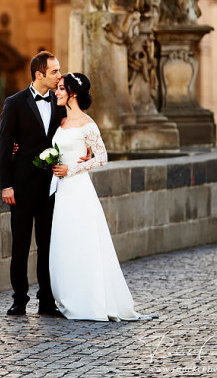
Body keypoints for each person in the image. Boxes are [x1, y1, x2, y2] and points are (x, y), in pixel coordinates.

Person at [49, 73, 157, 321]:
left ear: (72, 93)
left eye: (61, 89)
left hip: (78, 189)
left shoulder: (87, 123)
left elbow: (102, 157)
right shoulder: (62, 122)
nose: (57, 92)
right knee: (65, 244)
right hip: (62, 191)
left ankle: (91, 302)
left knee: (83, 243)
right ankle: (70, 298)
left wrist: (71, 169)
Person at [0, 51, 64, 316]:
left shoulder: (62, 103)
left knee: (48, 246)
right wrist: (6, 185)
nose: (60, 76)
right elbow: (4, 146)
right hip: (22, 187)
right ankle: (19, 299)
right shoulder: (14, 103)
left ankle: (47, 302)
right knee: (21, 245)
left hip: (52, 187)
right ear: (39, 74)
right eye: (55, 71)